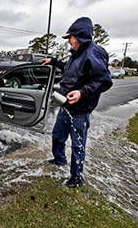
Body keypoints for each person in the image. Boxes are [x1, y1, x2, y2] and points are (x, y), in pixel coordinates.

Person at [39, 17, 113, 188]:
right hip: (66, 107)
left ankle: (76, 177)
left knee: (77, 145)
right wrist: (54, 61)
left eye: (70, 38)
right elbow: (69, 69)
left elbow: (104, 81)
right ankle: (59, 160)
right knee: (57, 136)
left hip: (80, 111)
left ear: (79, 36)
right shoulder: (75, 55)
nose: (69, 42)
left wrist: (82, 92)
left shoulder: (94, 53)